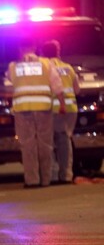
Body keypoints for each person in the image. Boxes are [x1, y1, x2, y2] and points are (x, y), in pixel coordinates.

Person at [7, 47, 65, 188]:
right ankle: (45, 179)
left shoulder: (14, 66)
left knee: (27, 145)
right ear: (34, 48)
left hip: (23, 109)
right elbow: (57, 84)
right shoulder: (46, 64)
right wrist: (62, 103)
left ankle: (32, 180)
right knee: (45, 144)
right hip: (43, 108)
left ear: (21, 50)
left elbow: (9, 80)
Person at [40, 40, 80, 183]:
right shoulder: (68, 68)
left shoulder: (44, 68)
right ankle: (66, 175)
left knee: (48, 142)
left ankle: (51, 175)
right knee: (65, 140)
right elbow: (77, 89)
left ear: (43, 53)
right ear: (58, 51)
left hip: (51, 108)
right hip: (70, 109)